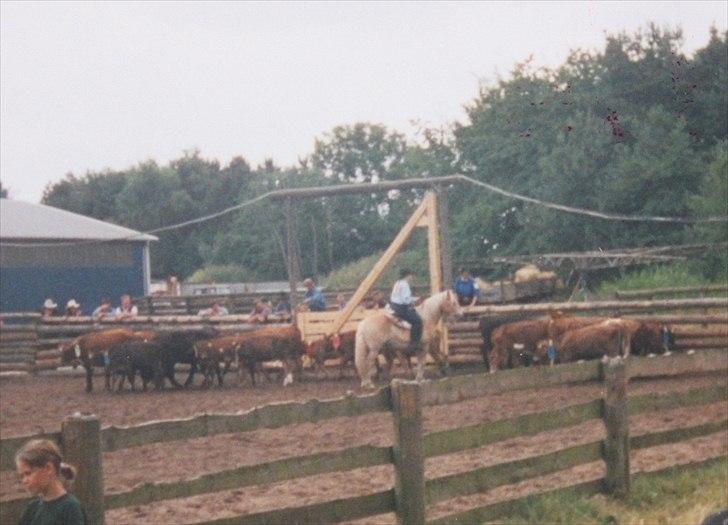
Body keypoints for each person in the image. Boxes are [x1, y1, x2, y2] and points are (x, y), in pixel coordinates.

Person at [15, 439, 86, 525]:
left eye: (28, 473)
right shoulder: (32, 509)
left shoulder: (70, 508)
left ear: (48, 468)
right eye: (22, 476)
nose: (24, 481)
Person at [390, 268, 422, 346]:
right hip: (400, 308)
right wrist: (414, 301)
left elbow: (401, 297)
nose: (412, 277)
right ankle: (414, 343)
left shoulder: (397, 283)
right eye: (411, 275)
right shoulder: (405, 284)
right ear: (407, 275)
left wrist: (413, 299)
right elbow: (406, 300)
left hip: (393, 305)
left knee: (413, 313)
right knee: (417, 321)